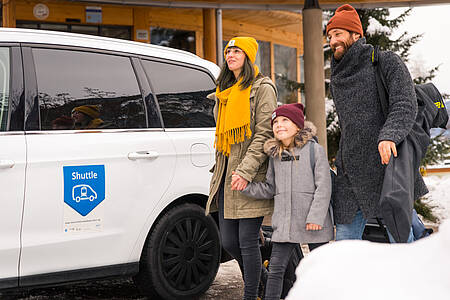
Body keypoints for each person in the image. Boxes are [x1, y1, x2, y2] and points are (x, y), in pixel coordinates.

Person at [326, 4, 427, 242]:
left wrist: (389, 135)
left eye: (338, 34)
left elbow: (405, 103)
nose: (332, 41)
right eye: (329, 36)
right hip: (350, 173)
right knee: (345, 244)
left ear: (356, 34)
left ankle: (411, 278)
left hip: (387, 166)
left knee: (400, 241)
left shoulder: (385, 61)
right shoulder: (338, 75)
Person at [205, 36, 277, 300]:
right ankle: (266, 282)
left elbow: (265, 133)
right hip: (226, 176)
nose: (230, 55)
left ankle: (251, 294)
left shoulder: (262, 87)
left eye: (237, 51)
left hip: (250, 176)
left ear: (248, 56)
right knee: (229, 242)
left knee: (247, 242)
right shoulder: (224, 90)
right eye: (228, 50)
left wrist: (245, 171)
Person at [236, 103, 333, 300]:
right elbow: (270, 188)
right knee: (275, 270)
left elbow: (324, 188)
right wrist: (246, 187)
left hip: (313, 222)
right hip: (285, 223)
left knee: (320, 270)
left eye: (285, 120)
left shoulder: (315, 151)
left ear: (298, 125)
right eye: (275, 122)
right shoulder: (275, 156)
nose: (279, 125)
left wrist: (315, 217)